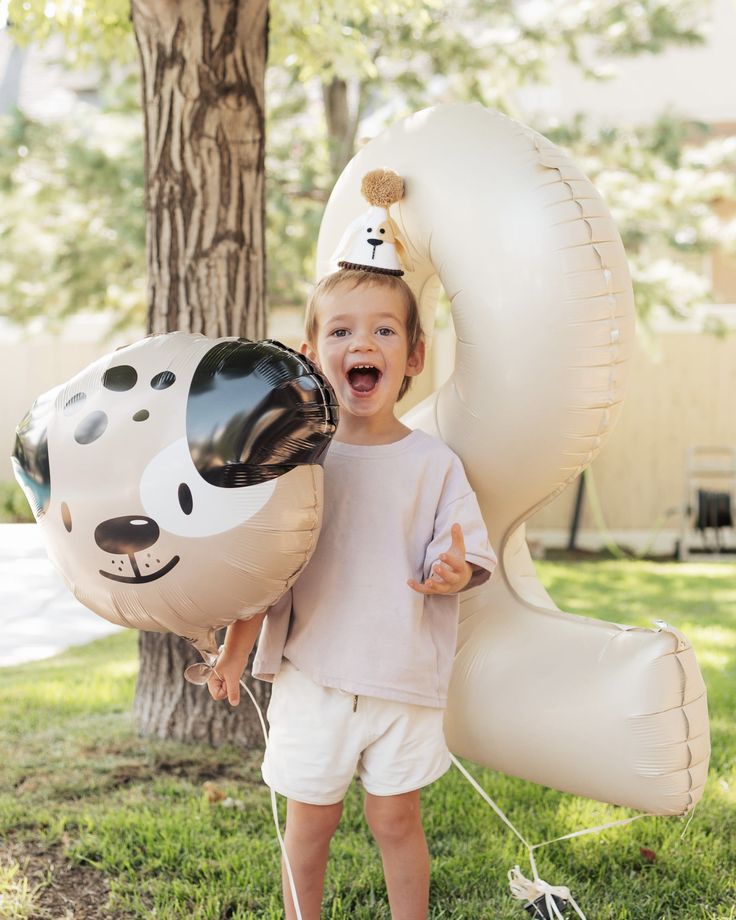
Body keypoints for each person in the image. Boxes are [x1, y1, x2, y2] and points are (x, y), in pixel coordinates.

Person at [208, 172, 496, 920]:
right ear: (310, 354)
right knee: (311, 822)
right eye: (340, 331)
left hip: (402, 681)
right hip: (314, 679)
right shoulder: (298, 462)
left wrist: (451, 569)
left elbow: (461, 553)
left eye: (381, 330)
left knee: (395, 819)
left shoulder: (434, 464)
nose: (359, 343)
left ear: (414, 356)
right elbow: (269, 570)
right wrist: (236, 652)